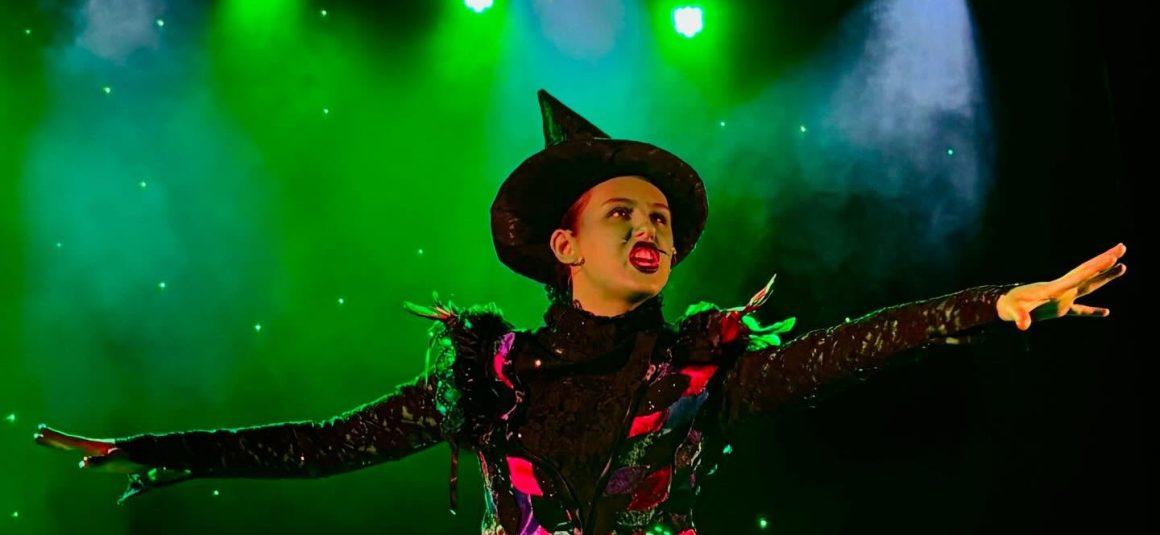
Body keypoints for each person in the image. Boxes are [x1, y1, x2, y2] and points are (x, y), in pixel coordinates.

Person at [35, 90, 1127, 535]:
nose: (650, 227)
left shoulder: (702, 371)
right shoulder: (489, 380)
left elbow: (851, 346)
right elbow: (324, 444)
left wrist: (994, 303)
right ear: (563, 245)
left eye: (660, 217)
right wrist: (160, 447)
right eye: (623, 212)